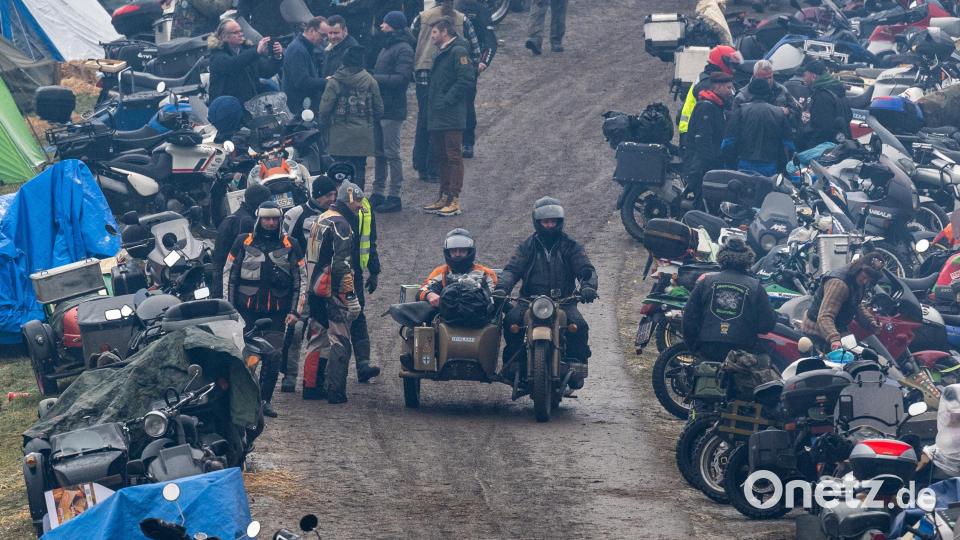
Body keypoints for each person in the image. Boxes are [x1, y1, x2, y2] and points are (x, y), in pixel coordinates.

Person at [494, 197, 598, 389]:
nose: (550, 225)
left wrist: (588, 286)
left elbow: (586, 269)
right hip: (529, 300)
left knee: (579, 326)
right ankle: (514, 365)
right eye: (545, 221)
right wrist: (502, 288)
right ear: (537, 222)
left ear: (560, 222)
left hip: (564, 301)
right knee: (512, 321)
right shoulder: (527, 246)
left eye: (553, 221)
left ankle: (576, 365)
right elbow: (511, 270)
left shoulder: (571, 246)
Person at [223, 201, 307, 417]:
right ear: (259, 219)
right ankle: (241, 400)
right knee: (247, 359)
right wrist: (230, 311)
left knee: (274, 356)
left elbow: (301, 280)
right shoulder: (242, 242)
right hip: (246, 313)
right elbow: (228, 276)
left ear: (280, 220)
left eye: (275, 219)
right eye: (267, 218)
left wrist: (295, 311)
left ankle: (264, 401)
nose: (271, 223)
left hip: (277, 314)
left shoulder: (292, 245)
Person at [302, 181, 366, 403]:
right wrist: (350, 296)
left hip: (313, 287)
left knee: (317, 338)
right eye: (358, 205)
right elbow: (342, 265)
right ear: (349, 200)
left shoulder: (321, 218)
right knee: (340, 340)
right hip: (331, 290)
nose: (359, 209)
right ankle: (336, 392)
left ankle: (310, 387)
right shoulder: (342, 225)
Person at [278, 176, 338, 393]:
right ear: (317, 194)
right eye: (328, 195)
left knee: (321, 331)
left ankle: (315, 380)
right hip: (301, 282)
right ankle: (289, 376)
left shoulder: (336, 216)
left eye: (334, 195)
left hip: (324, 284)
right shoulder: (295, 214)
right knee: (294, 331)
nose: (332, 199)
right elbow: (283, 245)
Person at [411, 0, 482, 181]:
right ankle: (435, 168)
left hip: (423, 72)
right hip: (448, 75)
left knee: (424, 119)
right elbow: (475, 50)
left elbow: (411, 42)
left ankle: (420, 164)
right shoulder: (462, 19)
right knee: (443, 123)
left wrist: (416, 65)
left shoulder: (422, 17)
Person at [682, 237, 777, 363]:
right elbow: (767, 324)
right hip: (742, 353)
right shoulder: (756, 287)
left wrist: (694, 348)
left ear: (721, 258)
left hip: (708, 350)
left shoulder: (705, 282)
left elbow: (689, 318)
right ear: (748, 260)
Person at [422, 17, 476, 217]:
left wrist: (446, 100)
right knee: (441, 156)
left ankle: (454, 199)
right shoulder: (443, 52)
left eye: (434, 32)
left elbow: (465, 81)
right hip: (438, 115)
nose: (432, 36)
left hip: (450, 115)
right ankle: (443, 196)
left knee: (453, 156)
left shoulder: (459, 51)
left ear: (444, 32)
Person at [318, 46, 384, 188]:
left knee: (338, 169)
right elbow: (379, 109)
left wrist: (324, 127)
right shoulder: (371, 81)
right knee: (359, 168)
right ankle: (357, 202)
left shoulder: (334, 81)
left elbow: (324, 110)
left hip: (338, 133)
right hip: (362, 134)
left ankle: (339, 202)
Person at [370, 11, 415, 213]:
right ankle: (378, 192)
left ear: (394, 26)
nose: (381, 25)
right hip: (380, 108)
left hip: (392, 110)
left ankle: (394, 195)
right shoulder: (388, 46)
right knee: (379, 153)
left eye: (385, 23)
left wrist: (374, 78)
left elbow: (402, 79)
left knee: (392, 153)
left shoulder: (403, 49)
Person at [802, 253, 884, 350]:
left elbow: (855, 304)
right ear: (858, 268)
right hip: (817, 331)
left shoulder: (858, 281)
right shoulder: (840, 284)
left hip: (836, 328)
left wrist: (870, 322)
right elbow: (825, 316)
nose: (865, 281)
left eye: (869, 279)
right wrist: (834, 339)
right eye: (865, 277)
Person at [722, 77, 795, 176]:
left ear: (751, 92)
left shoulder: (741, 111)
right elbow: (789, 145)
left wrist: (730, 165)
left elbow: (728, 143)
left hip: (743, 165)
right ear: (768, 93)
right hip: (771, 166)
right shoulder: (779, 113)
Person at [212, 183, 271, 298]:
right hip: (234, 284)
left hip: (220, 279)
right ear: (259, 203)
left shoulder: (232, 218)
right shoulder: (247, 222)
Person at [683, 72, 735, 203]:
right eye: (728, 88)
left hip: (707, 165)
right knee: (703, 204)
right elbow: (703, 140)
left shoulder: (717, 106)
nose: (731, 92)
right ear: (717, 88)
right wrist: (713, 163)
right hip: (702, 167)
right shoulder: (706, 107)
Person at [207, 18, 284, 104]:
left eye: (241, 31)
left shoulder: (246, 50)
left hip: (250, 105)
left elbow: (266, 72)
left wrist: (277, 57)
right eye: (235, 32)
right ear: (223, 36)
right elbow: (233, 64)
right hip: (227, 108)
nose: (240, 34)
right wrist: (256, 52)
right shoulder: (217, 56)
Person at [678, 45, 743, 145]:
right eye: (731, 65)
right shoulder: (708, 85)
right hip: (694, 134)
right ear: (722, 62)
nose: (733, 68)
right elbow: (726, 108)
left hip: (700, 130)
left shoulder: (713, 80)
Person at [457, 0, 497, 159]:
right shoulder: (452, 7)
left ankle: (467, 142)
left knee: (467, 104)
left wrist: (483, 62)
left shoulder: (481, 10)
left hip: (469, 64)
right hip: (448, 64)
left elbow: (490, 41)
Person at [418, 228, 498, 306]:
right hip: (446, 315)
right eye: (453, 251)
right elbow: (423, 290)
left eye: (462, 250)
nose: (457, 254)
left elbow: (494, 296)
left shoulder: (486, 273)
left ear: (469, 251)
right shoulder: (441, 272)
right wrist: (430, 295)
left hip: (479, 315)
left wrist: (476, 287)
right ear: (448, 252)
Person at [733, 60, 801, 130]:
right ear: (755, 76)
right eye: (764, 78)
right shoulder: (742, 96)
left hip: (777, 135)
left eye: (770, 77)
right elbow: (734, 123)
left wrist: (788, 112)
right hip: (752, 136)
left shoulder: (782, 90)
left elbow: (796, 114)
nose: (768, 81)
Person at [801, 59, 852, 149]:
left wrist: (809, 149)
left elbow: (822, 128)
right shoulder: (837, 89)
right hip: (841, 144)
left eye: (805, 75)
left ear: (813, 76)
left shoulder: (822, 95)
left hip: (826, 148)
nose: (803, 79)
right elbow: (849, 115)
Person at [283, 16, 328, 115]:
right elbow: (302, 82)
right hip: (299, 110)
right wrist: (327, 82)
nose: (324, 40)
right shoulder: (297, 50)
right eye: (323, 35)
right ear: (312, 30)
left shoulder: (306, 48)